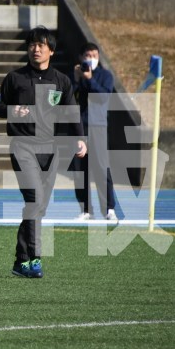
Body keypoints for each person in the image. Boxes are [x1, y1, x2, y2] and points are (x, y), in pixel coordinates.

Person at [0, 27, 87, 278]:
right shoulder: (15, 78)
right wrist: (12, 110)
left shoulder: (61, 81)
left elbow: (72, 111)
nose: (36, 49)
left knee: (39, 207)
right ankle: (35, 258)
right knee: (34, 200)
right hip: (23, 146)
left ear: (51, 51)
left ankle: (20, 261)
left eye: (41, 45)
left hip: (51, 149)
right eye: (32, 45)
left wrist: (80, 138)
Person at [72, 42, 118, 222]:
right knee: (80, 170)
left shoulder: (105, 76)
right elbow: (69, 97)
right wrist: (77, 79)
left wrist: (89, 78)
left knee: (101, 167)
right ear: (81, 57)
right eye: (88, 55)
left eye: (94, 55)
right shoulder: (76, 74)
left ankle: (109, 209)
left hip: (98, 126)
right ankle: (86, 210)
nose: (91, 59)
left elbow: (103, 97)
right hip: (80, 128)